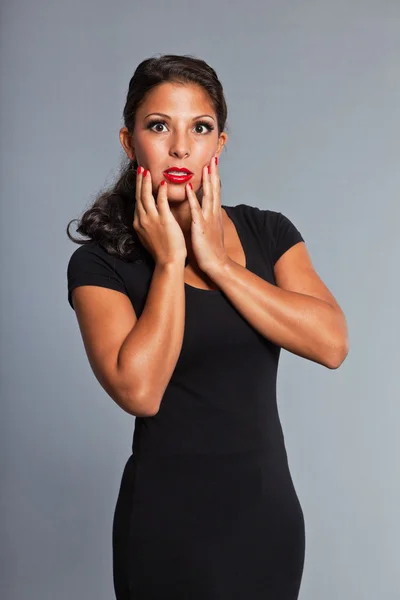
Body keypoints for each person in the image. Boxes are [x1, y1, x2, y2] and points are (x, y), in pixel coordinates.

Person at [66, 54, 349, 599]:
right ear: (129, 142)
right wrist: (171, 263)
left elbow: (331, 343)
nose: (179, 147)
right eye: (158, 126)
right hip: (165, 530)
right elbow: (140, 391)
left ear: (219, 144)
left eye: (200, 128)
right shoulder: (101, 264)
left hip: (267, 522)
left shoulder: (268, 232)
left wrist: (218, 264)